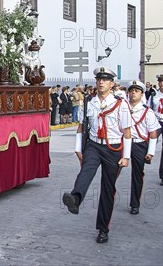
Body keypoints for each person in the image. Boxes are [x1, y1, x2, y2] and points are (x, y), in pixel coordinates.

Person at [62, 67, 132, 244]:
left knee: (108, 188)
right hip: (93, 144)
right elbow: (81, 126)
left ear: (111, 84)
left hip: (113, 148)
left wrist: (127, 156)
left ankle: (103, 228)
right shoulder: (89, 102)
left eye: (105, 80)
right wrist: (78, 148)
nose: (101, 82)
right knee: (86, 171)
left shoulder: (120, 104)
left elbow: (127, 131)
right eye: (99, 79)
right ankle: (75, 198)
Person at [126, 80, 160, 215]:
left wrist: (150, 152)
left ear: (141, 94)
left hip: (139, 144)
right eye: (131, 91)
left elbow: (153, 133)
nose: (133, 93)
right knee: (113, 172)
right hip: (123, 143)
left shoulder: (148, 112)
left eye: (137, 91)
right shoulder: (122, 108)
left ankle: (135, 203)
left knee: (137, 174)